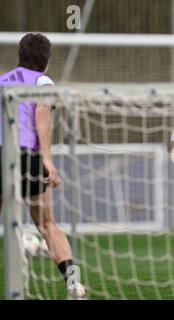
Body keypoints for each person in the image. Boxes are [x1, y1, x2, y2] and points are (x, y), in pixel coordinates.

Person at [0, 33, 86, 298]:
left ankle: (27, 243)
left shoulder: (2, 81)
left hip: (1, 153)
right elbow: (41, 115)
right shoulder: (42, 81)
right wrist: (47, 159)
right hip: (27, 155)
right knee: (48, 224)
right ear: (46, 61)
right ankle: (73, 284)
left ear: (20, 56)